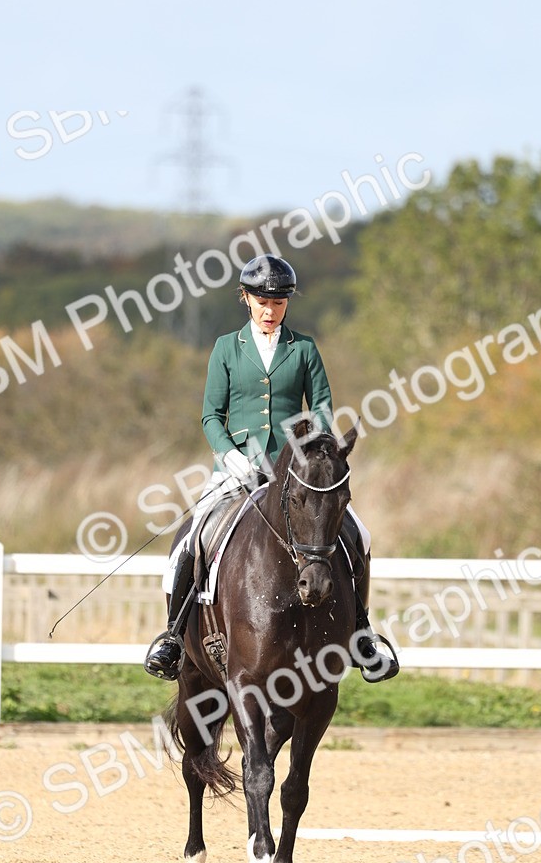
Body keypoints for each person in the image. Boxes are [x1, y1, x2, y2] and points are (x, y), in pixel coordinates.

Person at [143, 254, 396, 683]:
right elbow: (211, 416)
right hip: (236, 466)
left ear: (286, 304)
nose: (269, 310)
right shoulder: (226, 348)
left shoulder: (304, 349)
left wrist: (310, 453)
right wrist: (233, 458)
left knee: (360, 533)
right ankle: (172, 635)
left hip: (294, 468)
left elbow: (320, 408)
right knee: (195, 535)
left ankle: (362, 632)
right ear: (246, 298)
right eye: (262, 300)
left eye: (278, 302)